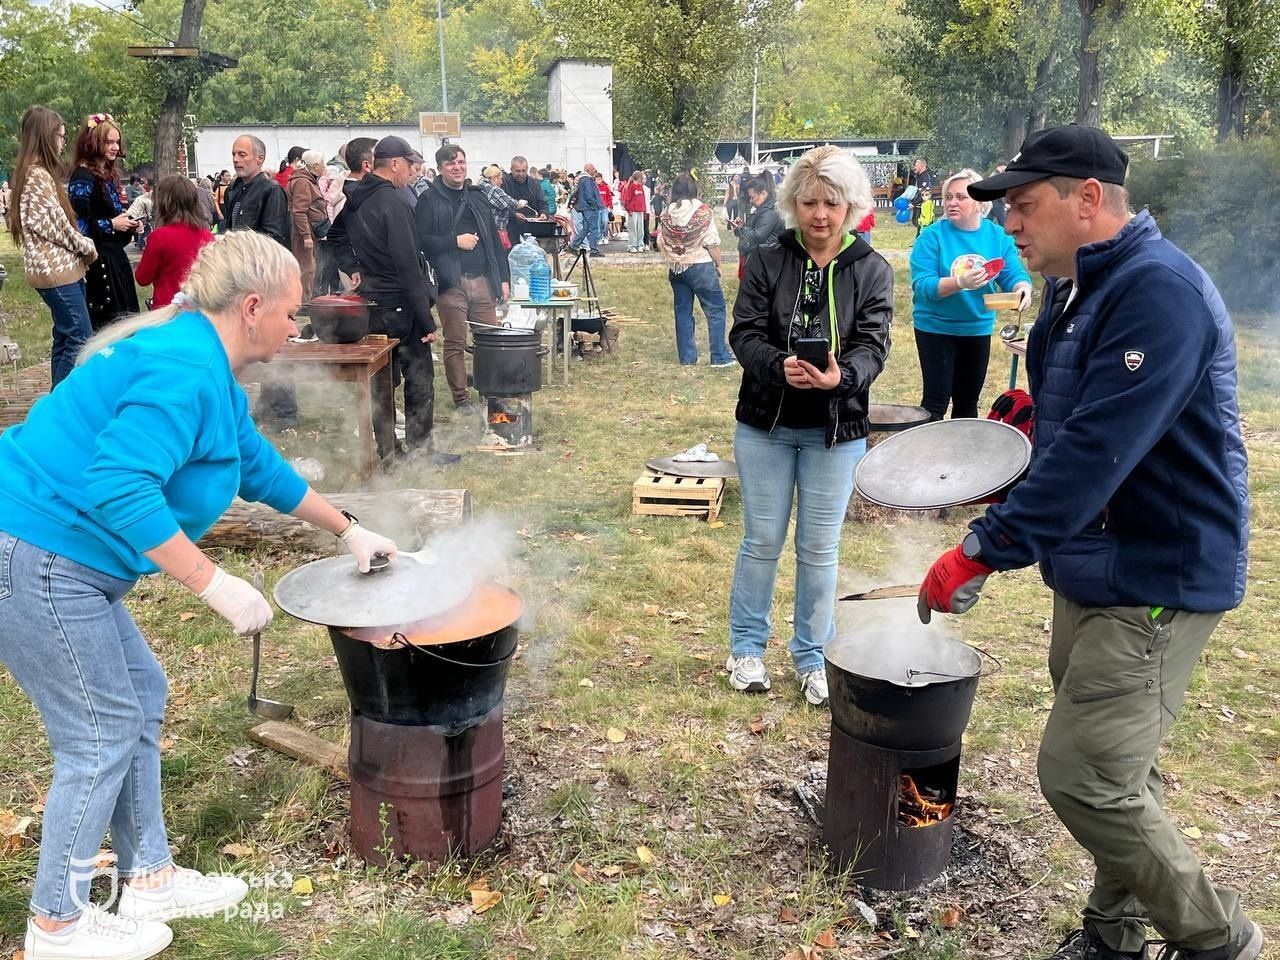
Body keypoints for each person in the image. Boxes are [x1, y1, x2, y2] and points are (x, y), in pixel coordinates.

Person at [0, 230, 401, 960]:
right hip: (39, 551)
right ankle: (56, 924)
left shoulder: (205, 362)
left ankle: (148, 877)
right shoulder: (183, 366)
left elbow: (253, 464)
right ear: (252, 307)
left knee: (138, 696)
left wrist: (348, 529)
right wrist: (213, 582)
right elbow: (120, 486)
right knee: (98, 732)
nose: (295, 327)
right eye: (290, 313)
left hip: (68, 557)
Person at [918, 125, 1261, 960]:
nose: (1011, 224)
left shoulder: (1157, 293)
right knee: (1120, 771)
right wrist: (1023, 435)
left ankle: (1221, 941)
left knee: (1085, 776)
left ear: (1089, 199)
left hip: (1158, 571)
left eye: (1025, 205)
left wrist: (980, 550)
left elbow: (1095, 457)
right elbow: (1072, 432)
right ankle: (1114, 937)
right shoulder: (1073, 293)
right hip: (1093, 566)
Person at [726, 144, 893, 706]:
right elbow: (744, 333)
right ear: (792, 204)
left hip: (835, 431)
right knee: (762, 541)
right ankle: (746, 648)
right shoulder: (767, 260)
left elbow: (875, 343)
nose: (820, 214)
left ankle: (813, 656)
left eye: (832, 203)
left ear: (852, 206)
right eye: (809, 202)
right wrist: (779, 367)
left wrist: (843, 376)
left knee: (820, 548)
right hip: (765, 424)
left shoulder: (871, 268)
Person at [345, 136, 457, 464]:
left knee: (382, 380)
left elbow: (334, 236)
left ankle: (388, 453)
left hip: (372, 303)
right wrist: (426, 320)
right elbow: (408, 267)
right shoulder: (393, 203)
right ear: (394, 164)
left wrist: (352, 266)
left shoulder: (356, 198)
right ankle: (421, 451)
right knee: (419, 377)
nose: (411, 171)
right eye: (409, 164)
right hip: (400, 305)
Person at [908, 167, 1031, 420]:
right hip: (935, 327)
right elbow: (923, 287)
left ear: (980, 203)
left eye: (961, 197)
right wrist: (959, 282)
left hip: (976, 328)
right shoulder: (931, 237)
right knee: (935, 401)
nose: (952, 202)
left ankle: (962, 446)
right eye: (948, 197)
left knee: (967, 402)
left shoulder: (997, 236)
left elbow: (1012, 273)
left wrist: (1022, 289)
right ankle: (927, 446)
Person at [6, 106, 98, 386]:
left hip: (59, 269)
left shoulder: (34, 174)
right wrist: (86, 245)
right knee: (81, 337)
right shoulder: (36, 176)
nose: (62, 143)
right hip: (55, 271)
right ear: (46, 136)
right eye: (60, 136)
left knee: (65, 336)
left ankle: (56, 398)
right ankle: (62, 403)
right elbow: (55, 226)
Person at [416, 143, 509, 414]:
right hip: (450, 283)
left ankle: (491, 393)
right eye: (450, 164)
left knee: (489, 341)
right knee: (455, 342)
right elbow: (420, 241)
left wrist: (503, 278)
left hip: (482, 280)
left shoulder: (478, 197)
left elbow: (493, 241)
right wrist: (454, 241)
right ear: (440, 168)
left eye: (460, 162)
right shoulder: (428, 200)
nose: (457, 168)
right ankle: (461, 399)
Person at [224, 134, 294, 428]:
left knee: (273, 339)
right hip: (240, 277)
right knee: (246, 339)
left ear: (259, 158)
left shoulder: (271, 191)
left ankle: (284, 411)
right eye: (234, 154)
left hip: (266, 278)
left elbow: (274, 239)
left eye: (242, 154)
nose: (236, 160)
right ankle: (259, 405)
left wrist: (245, 250)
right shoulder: (233, 190)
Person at [68, 113, 140, 331]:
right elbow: (78, 226)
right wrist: (111, 224)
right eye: (109, 142)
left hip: (115, 260)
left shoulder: (107, 175)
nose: (115, 147)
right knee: (108, 328)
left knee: (125, 326)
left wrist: (128, 224)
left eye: (117, 142)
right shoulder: (82, 177)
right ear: (94, 142)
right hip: (98, 265)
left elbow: (111, 216)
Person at [656, 174, 731, 367]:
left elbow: (661, 240)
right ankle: (719, 357)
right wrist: (718, 264)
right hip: (700, 264)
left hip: (677, 268)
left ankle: (687, 357)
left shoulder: (667, 213)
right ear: (694, 189)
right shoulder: (702, 211)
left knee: (682, 313)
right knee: (715, 310)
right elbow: (712, 242)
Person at [133, 175, 215, 308]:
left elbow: (143, 278)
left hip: (167, 308)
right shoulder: (207, 235)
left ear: (164, 203)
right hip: (199, 306)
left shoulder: (159, 237)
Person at [287, 149, 329, 298]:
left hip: (306, 232)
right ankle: (303, 302)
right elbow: (299, 211)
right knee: (306, 270)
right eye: (322, 163)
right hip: (303, 234)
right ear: (315, 165)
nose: (324, 166)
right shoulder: (303, 182)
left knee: (308, 269)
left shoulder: (305, 179)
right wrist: (306, 236)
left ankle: (304, 300)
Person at [733, 174, 784, 278]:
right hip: (759, 259)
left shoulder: (769, 212)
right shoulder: (764, 209)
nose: (751, 201)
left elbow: (758, 235)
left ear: (763, 193)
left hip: (762, 261)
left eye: (753, 197)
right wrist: (742, 227)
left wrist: (741, 229)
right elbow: (757, 229)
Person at [502, 155, 547, 239]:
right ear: (511, 169)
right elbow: (500, 206)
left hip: (532, 228)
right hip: (510, 228)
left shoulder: (534, 183)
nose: (521, 174)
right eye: (517, 171)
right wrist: (514, 215)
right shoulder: (504, 183)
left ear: (527, 169)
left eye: (524, 171)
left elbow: (542, 202)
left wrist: (543, 213)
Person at [572, 163, 605, 255]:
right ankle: (594, 250)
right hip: (590, 208)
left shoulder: (582, 180)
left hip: (585, 207)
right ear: (588, 170)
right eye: (593, 169)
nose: (595, 170)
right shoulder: (587, 180)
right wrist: (594, 205)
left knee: (586, 229)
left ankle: (573, 246)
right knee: (594, 229)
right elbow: (589, 195)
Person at [621, 170, 648, 253]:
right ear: (638, 178)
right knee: (633, 229)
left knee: (640, 229)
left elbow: (643, 199)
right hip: (633, 211)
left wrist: (644, 210)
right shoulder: (631, 187)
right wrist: (629, 209)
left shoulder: (640, 187)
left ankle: (640, 245)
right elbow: (627, 199)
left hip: (640, 211)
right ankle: (632, 246)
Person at [909, 157, 932, 239]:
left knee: (920, 222)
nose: (915, 167)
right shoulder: (919, 176)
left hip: (923, 204)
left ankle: (920, 240)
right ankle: (919, 239)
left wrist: (914, 203)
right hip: (918, 204)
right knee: (915, 221)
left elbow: (923, 192)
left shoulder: (925, 177)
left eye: (916, 166)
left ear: (921, 166)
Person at [988, 162, 1009, 227]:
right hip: (997, 202)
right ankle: (1005, 234)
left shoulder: (993, 175)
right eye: (1005, 167)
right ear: (1002, 166)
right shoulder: (997, 176)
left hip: (991, 201)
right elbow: (998, 191)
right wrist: (1005, 203)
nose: (1005, 169)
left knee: (988, 221)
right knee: (1003, 222)